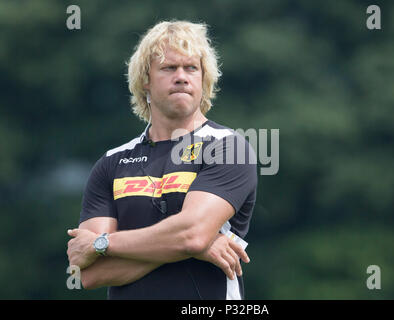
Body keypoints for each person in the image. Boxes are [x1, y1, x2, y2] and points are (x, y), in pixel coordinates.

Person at [66, 20, 257, 300]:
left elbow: (191, 234)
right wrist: (194, 246)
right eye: (169, 68)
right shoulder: (112, 163)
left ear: (203, 80)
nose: (181, 76)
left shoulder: (228, 147)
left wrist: (102, 242)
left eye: (191, 68)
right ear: (145, 79)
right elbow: (90, 273)